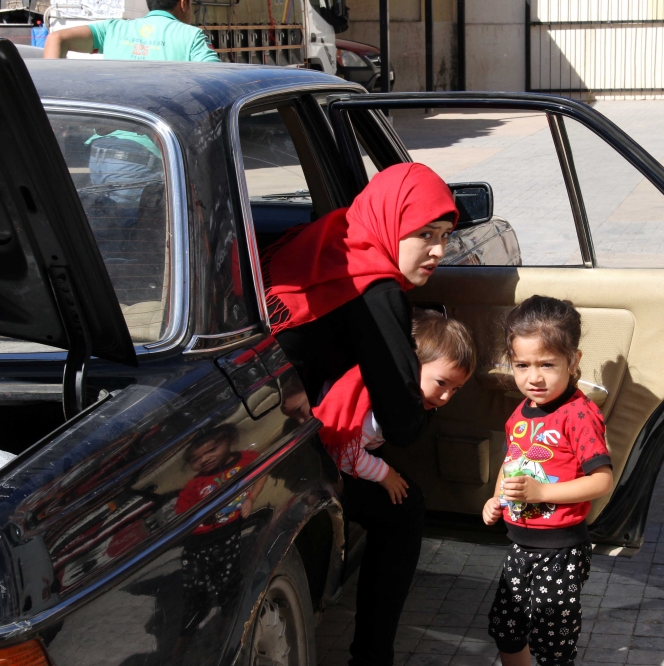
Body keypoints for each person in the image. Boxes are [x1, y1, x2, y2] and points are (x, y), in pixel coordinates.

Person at [260, 162, 458, 666]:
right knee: (405, 509)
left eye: (445, 236)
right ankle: (373, 658)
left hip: (259, 411)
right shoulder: (377, 287)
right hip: (285, 446)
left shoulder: (333, 237)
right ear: (392, 222)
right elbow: (402, 425)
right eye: (425, 235)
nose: (438, 251)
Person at [482, 295, 614, 666]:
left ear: (573, 362)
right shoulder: (520, 414)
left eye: (547, 364)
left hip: (560, 550)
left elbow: (602, 480)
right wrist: (496, 500)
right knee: (507, 630)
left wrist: (543, 492)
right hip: (520, 545)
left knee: (552, 640)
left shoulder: (579, 415)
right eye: (521, 365)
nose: (533, 377)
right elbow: (512, 462)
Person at [313, 309, 477, 504]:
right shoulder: (374, 411)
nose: (445, 397)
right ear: (410, 365)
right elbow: (344, 453)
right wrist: (384, 474)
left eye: (455, 389)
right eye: (441, 383)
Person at [173, 425, 266, 652]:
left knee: (230, 585)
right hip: (199, 545)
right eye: (196, 458)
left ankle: (225, 628)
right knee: (196, 595)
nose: (205, 459)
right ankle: (181, 644)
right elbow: (181, 517)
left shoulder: (246, 460)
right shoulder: (194, 485)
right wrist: (203, 517)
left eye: (212, 449)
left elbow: (261, 471)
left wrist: (251, 498)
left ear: (229, 440)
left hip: (228, 536)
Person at [42, 0, 220, 61]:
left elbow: (56, 39)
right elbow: (217, 84)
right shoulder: (192, 37)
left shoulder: (112, 29)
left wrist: (45, 105)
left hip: (102, 141)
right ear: (183, 3)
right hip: (158, 144)